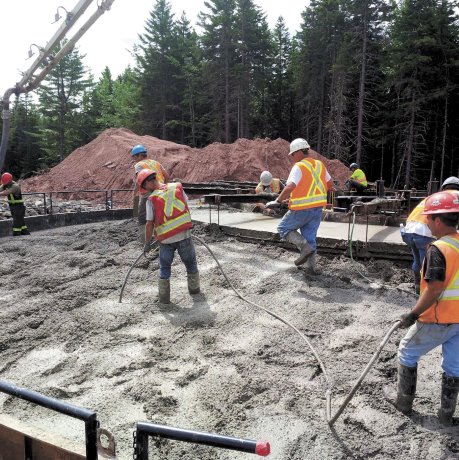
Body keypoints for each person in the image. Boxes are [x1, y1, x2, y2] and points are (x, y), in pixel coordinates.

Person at [386, 190, 459, 425]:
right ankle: (446, 415)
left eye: (428, 218)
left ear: (438, 220)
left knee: (407, 351)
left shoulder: (439, 249)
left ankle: (403, 404)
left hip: (439, 318)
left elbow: (434, 289)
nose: (426, 222)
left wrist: (413, 314)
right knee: (454, 365)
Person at [266, 138, 334, 273]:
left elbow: (291, 186)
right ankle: (311, 269)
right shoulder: (320, 165)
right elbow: (330, 185)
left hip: (301, 210)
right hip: (317, 210)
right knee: (310, 237)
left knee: (283, 228)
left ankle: (304, 247)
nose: (291, 157)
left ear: (298, 152)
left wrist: (278, 201)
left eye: (292, 154)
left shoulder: (299, 167)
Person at [138, 169, 199, 304]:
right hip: (184, 235)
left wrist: (147, 244)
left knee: (165, 268)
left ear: (147, 184)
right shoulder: (177, 187)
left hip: (165, 240)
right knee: (191, 264)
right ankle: (195, 291)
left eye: (144, 188)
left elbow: (149, 224)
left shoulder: (151, 200)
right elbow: (187, 207)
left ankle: (164, 299)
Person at [401, 176, 459, 293]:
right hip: (424, 233)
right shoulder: (454, 197)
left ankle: (417, 287)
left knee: (418, 262)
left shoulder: (434, 197)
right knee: (428, 265)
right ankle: (426, 291)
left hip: (409, 230)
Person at [131, 144, 170, 243]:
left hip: (148, 192)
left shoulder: (139, 165)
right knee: (159, 215)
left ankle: (145, 241)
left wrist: (135, 193)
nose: (134, 159)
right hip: (161, 191)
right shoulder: (156, 163)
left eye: (134, 157)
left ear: (139, 156)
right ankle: (161, 236)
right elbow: (167, 176)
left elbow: (139, 180)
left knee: (143, 217)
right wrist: (165, 186)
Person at [0, 172, 30, 236]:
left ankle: (16, 234)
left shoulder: (15, 186)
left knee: (16, 221)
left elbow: (6, 192)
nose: (5, 183)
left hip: (19, 207)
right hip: (13, 206)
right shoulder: (6, 184)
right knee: (20, 221)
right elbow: (1, 188)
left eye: (6, 182)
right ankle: (25, 232)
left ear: (10, 180)